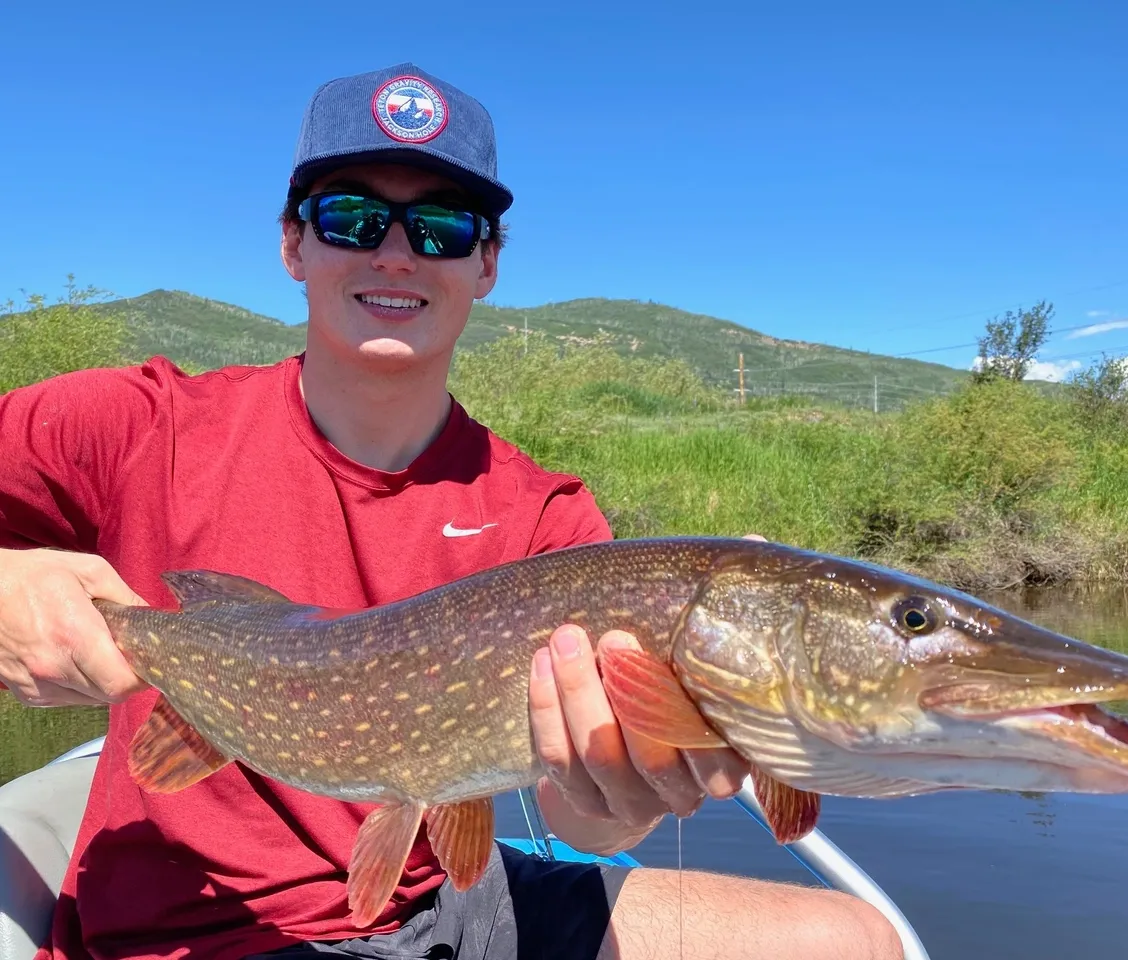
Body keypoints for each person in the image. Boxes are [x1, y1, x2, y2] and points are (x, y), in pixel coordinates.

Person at [0, 63, 904, 960]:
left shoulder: (547, 516)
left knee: (855, 938)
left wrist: (615, 794)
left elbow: (575, 817)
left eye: (440, 227)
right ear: (292, 245)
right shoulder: (133, 426)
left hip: (451, 904)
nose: (396, 251)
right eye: (350, 217)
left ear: (485, 265)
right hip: (197, 934)